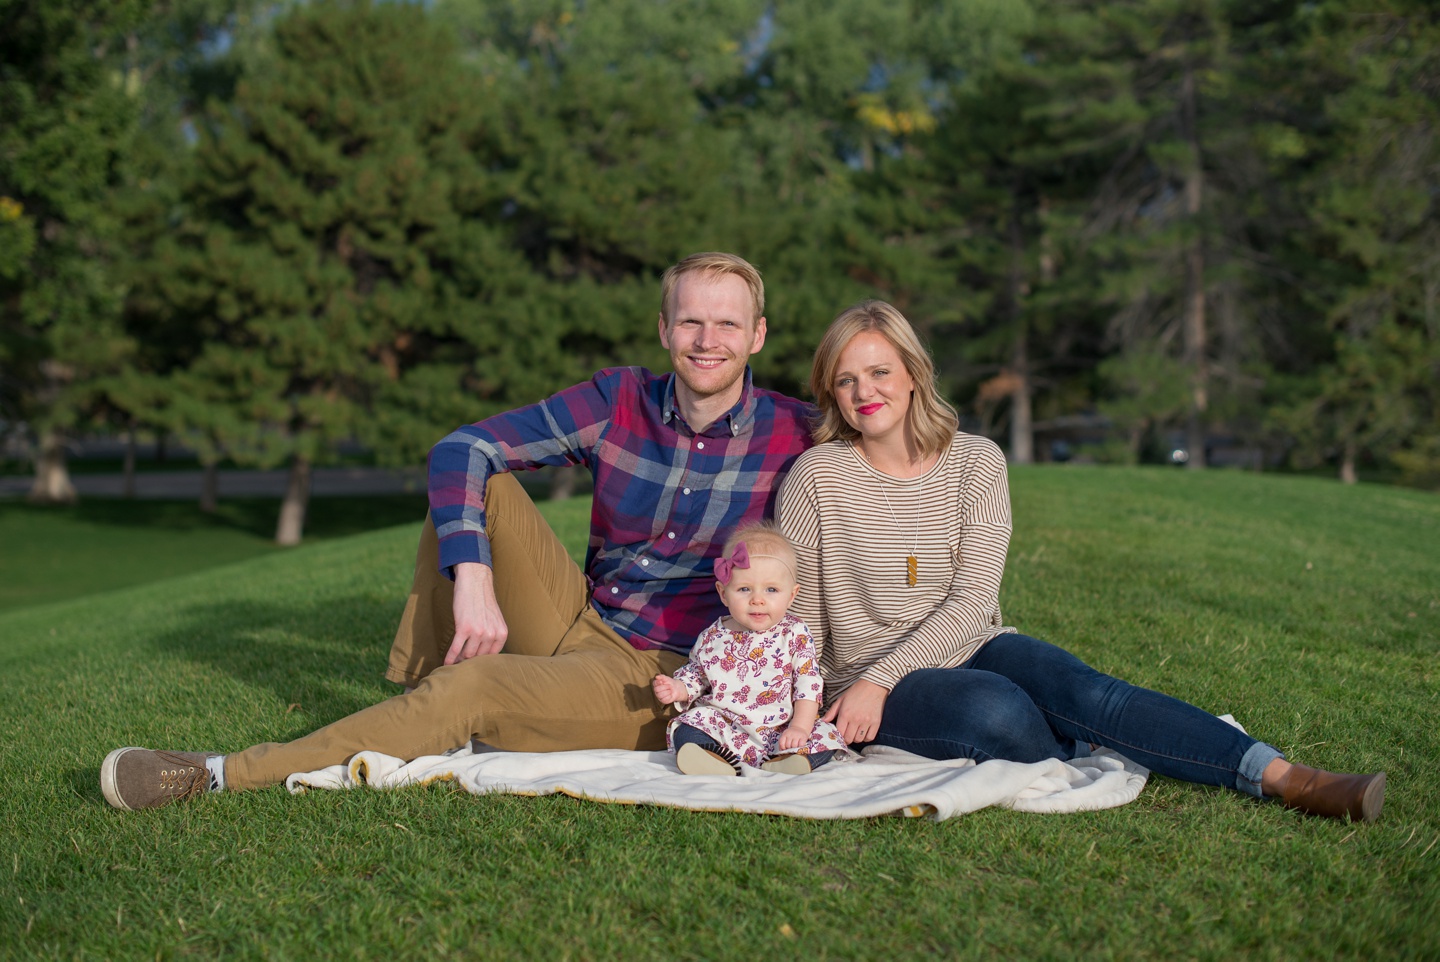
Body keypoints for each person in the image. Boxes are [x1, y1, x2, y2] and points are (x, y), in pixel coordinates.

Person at [100, 252, 816, 810]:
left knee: (467, 691)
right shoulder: (620, 397)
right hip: (580, 614)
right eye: (690, 321)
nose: (706, 340)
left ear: (757, 335)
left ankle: (221, 774)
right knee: (480, 485)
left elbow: (896, 471)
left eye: (727, 324)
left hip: (659, 674)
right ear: (665, 329)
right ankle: (422, 711)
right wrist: (471, 575)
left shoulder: (796, 433)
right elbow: (461, 449)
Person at [775, 300, 1387, 822]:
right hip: (858, 682)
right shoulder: (816, 477)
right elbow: (801, 624)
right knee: (997, 707)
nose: (864, 392)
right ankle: (1089, 744)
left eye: (879, 371)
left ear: (913, 373)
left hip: (973, 642)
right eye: (846, 379)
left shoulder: (976, 462)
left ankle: (1285, 777)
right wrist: (840, 696)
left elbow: (973, 603)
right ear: (831, 390)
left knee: (1087, 689)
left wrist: (888, 676)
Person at [652, 522, 848, 776]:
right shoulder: (713, 636)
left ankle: (792, 761)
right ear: (723, 593)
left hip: (782, 729)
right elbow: (698, 674)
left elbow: (807, 684)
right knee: (691, 723)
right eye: (744, 589)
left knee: (823, 735)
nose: (757, 599)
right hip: (727, 726)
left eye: (771, 589)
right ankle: (711, 757)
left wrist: (800, 727)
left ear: (791, 595)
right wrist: (678, 689)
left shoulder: (795, 634)